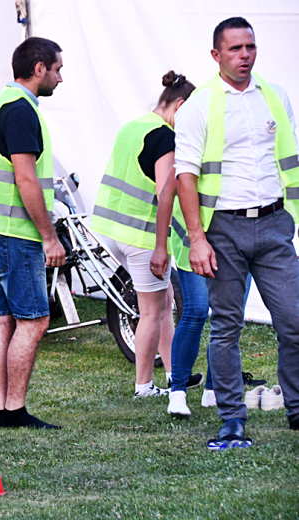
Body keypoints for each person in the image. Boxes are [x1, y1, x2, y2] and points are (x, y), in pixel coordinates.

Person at [175, 17, 299, 446]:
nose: (245, 55)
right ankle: (232, 418)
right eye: (235, 49)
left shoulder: (275, 96)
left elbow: (288, 158)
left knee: (294, 321)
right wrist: (197, 238)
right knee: (226, 327)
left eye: (250, 46)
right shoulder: (199, 105)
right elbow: (184, 176)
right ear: (216, 55)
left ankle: (297, 411)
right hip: (223, 228)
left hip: (274, 225)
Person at [0, 37, 65, 429]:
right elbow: (25, 177)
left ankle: (5, 408)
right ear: (39, 69)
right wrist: (49, 236)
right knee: (34, 320)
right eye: (57, 69)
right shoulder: (21, 110)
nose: (59, 77)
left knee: (1, 319)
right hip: (12, 230)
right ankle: (14, 410)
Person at [92, 72, 196, 398]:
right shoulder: (166, 137)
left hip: (112, 229)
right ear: (179, 106)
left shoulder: (133, 126)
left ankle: (174, 374)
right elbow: (167, 193)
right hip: (141, 235)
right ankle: (144, 386)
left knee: (164, 302)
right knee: (151, 311)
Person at [152, 175, 254, 416]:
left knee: (229, 316)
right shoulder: (197, 139)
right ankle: (177, 391)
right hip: (192, 238)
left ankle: (212, 389)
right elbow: (167, 193)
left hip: (238, 238)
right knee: (197, 310)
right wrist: (160, 246)